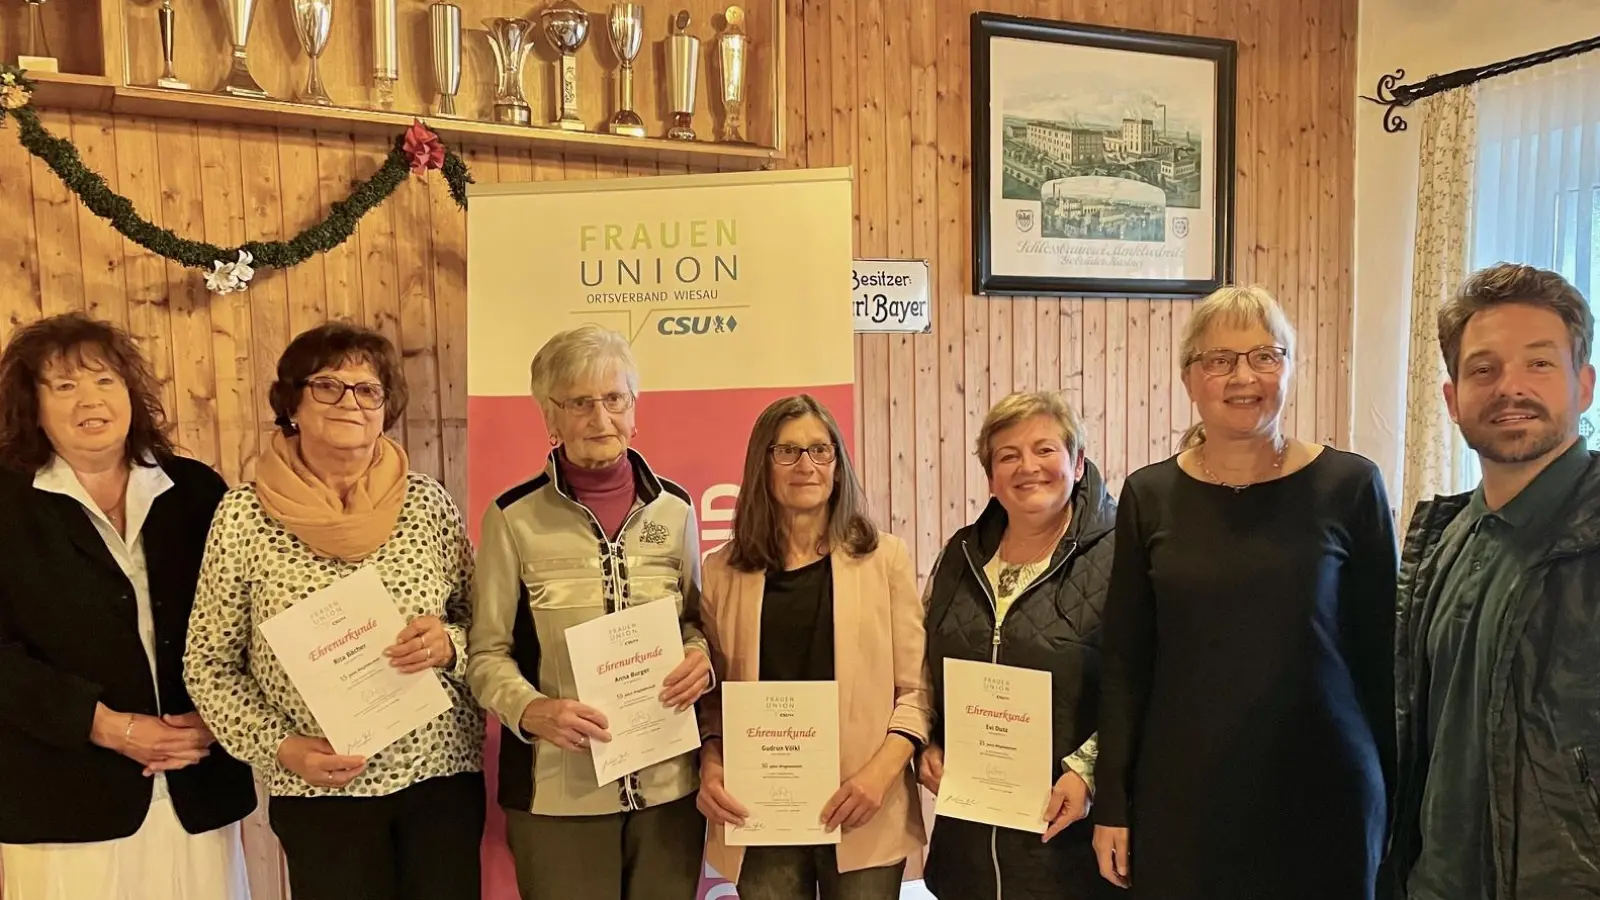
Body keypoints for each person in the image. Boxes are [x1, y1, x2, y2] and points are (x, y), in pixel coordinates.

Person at [1092, 286, 1398, 899]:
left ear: (1290, 368)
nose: (1243, 377)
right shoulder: (1147, 496)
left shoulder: (1351, 484)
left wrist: (1398, 801)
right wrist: (1113, 803)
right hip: (1185, 794)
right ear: (1189, 378)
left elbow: (1384, 657)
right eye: (1219, 359)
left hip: (1325, 790)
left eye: (1265, 356)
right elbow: (1126, 660)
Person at [183, 322, 484, 900]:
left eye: (367, 389)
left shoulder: (427, 503)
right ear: (292, 403)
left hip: (439, 780)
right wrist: (281, 747)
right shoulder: (243, 516)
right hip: (319, 790)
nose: (350, 400)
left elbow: (485, 626)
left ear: (385, 408)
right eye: (327, 385)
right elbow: (210, 664)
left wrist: (451, 644)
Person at [0, 313, 255, 900]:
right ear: (31, 404)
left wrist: (221, 719)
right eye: (64, 386)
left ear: (131, 394)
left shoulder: (196, 490)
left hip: (197, 782)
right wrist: (105, 726)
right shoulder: (7, 505)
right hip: (61, 798)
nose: (90, 399)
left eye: (105, 381)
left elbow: (250, 622)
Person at [466, 323, 714, 900]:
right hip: (558, 794)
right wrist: (533, 710)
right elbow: (486, 655)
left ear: (634, 410)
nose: (599, 418)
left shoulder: (675, 510)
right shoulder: (512, 517)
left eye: (613, 399)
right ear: (550, 418)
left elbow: (696, 621)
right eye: (579, 402)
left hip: (667, 790)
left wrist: (700, 656)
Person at [1391, 263, 1600, 900]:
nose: (1511, 388)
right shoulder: (1441, 540)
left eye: (1539, 364)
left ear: (1583, 385)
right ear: (1453, 400)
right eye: (1484, 369)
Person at [695, 394, 933, 900]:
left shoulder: (885, 560)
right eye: (787, 451)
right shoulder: (721, 572)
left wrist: (879, 775)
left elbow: (916, 691)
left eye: (819, 451)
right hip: (760, 811)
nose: (806, 465)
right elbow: (711, 701)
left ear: (838, 467)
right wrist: (711, 764)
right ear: (763, 464)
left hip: (863, 805)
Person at [918, 391, 1119, 900]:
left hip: (1071, 849)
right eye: (1008, 455)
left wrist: (1090, 772)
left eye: (1045, 450)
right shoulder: (958, 556)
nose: (1027, 467)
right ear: (991, 477)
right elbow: (921, 667)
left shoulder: (1125, 555)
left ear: (1077, 464)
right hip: (968, 851)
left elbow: (1155, 682)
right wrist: (927, 744)